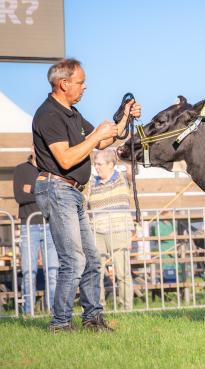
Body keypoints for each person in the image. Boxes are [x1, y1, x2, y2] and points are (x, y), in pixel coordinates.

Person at [32, 58, 141, 332]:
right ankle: (60, 324)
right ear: (63, 83)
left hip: (72, 192)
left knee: (91, 259)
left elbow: (105, 139)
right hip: (57, 188)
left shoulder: (72, 113)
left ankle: (93, 319)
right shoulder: (48, 115)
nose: (85, 87)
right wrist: (96, 137)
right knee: (74, 259)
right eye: (80, 82)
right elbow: (66, 158)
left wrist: (124, 117)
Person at [13, 150, 60, 315]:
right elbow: (19, 196)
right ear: (33, 148)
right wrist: (42, 193)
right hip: (29, 226)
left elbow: (55, 195)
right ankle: (28, 313)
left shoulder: (51, 170)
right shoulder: (20, 169)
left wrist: (31, 190)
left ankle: (53, 313)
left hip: (49, 226)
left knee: (53, 272)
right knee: (28, 273)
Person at [89, 149, 134, 311]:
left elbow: (132, 168)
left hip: (119, 230)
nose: (97, 167)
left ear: (111, 164)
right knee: (96, 273)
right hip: (97, 232)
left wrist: (123, 152)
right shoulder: (91, 182)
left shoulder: (122, 177)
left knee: (122, 273)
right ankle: (98, 308)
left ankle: (126, 309)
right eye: (95, 164)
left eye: (100, 164)